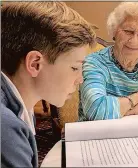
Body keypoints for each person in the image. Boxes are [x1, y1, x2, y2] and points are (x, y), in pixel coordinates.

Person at [1, 2, 96, 167]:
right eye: (75, 68)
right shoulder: (6, 129)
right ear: (35, 64)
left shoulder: (21, 105)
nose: (80, 79)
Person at [79, 2, 138, 121]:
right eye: (128, 31)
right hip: (99, 136)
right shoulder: (95, 63)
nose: (134, 41)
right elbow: (96, 110)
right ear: (114, 31)